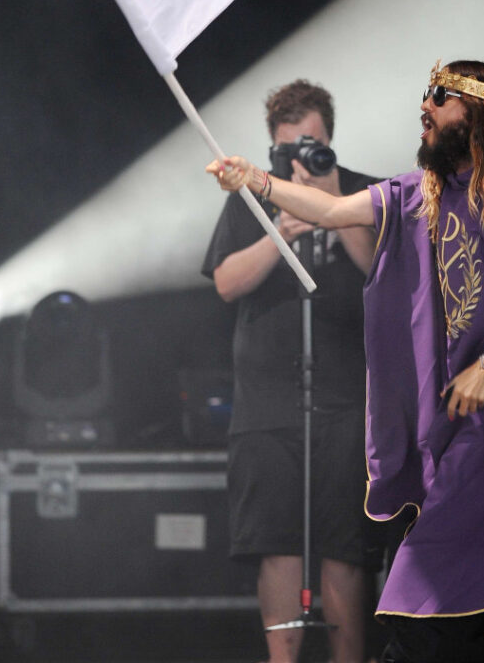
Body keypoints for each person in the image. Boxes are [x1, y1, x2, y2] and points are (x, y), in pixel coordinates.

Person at [206, 59, 484, 663]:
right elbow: (332, 211)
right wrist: (256, 180)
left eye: (440, 96)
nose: (425, 106)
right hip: (463, 429)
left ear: (476, 112)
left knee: (428, 583)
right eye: (426, 94)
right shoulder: (423, 192)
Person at [202, 80, 379, 663]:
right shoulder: (251, 195)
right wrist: (282, 228)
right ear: (274, 146)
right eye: (290, 148)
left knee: (345, 549)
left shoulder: (362, 191)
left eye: (313, 144)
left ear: (329, 138)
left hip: (346, 395)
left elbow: (383, 270)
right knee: (275, 545)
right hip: (269, 399)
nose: (302, 156)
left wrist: (332, 204)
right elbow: (226, 283)